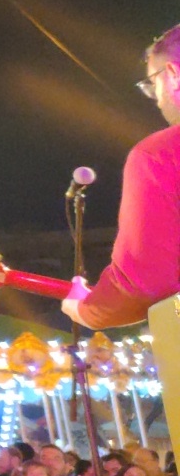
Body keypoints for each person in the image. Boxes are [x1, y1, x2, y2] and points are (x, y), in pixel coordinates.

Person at [64, 24, 180, 329]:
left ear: (173, 74)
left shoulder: (159, 155)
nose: (156, 99)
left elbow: (143, 283)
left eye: (153, 83)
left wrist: (86, 310)